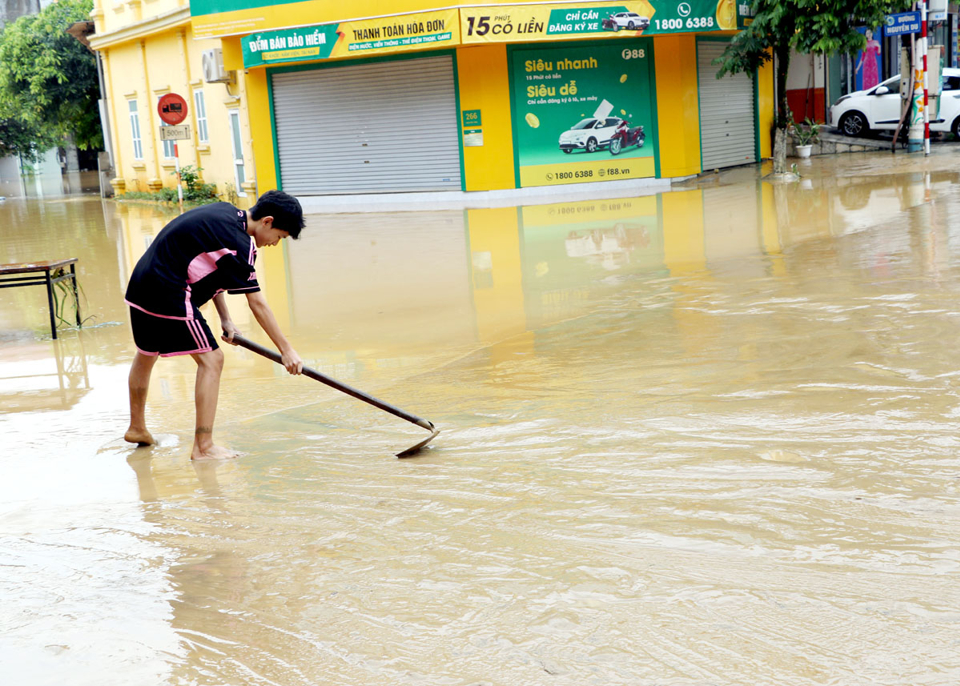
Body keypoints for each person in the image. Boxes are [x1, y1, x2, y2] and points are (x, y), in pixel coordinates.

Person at [123, 190, 305, 460]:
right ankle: (204, 447)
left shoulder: (225, 213)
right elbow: (258, 304)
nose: (276, 243)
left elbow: (214, 269)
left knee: (147, 353)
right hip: (168, 291)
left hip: (141, 285)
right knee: (213, 360)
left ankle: (137, 428)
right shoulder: (240, 245)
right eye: (280, 237)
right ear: (267, 221)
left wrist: (226, 318)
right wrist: (287, 350)